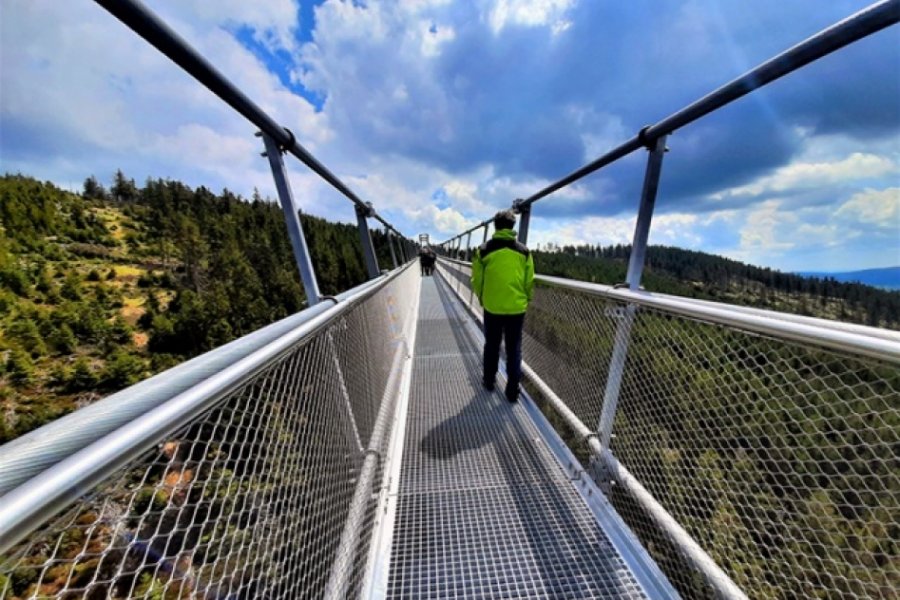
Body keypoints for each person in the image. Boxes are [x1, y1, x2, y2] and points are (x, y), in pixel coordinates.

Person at [470, 209, 534, 402]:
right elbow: (529, 280)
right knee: (514, 348)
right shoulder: (524, 251)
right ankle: (512, 390)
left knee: (492, 345)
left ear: (495, 226)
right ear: (513, 226)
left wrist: (482, 298)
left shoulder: (483, 250)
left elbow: (477, 280)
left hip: (492, 307)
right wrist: (526, 299)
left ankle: (489, 381)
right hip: (516, 308)